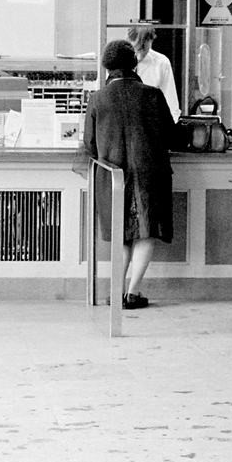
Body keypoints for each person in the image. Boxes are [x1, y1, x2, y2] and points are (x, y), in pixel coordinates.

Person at [80, 38, 175, 309]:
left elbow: (89, 144)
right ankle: (133, 294)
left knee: (121, 233)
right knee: (145, 231)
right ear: (134, 64)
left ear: (107, 67)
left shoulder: (97, 99)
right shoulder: (153, 95)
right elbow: (171, 135)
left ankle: (116, 292)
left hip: (113, 176)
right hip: (149, 173)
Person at [126, 25, 181, 122]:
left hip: (151, 123)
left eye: (144, 50)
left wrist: (173, 127)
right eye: (136, 50)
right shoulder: (117, 61)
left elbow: (171, 104)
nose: (139, 57)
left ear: (151, 41)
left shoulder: (161, 63)